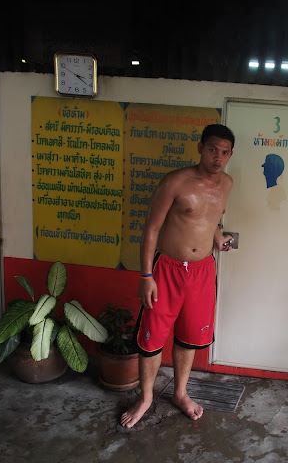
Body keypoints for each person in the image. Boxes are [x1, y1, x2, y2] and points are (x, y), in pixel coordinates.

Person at [121, 124, 235, 428]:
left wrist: (219, 238)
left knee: (189, 337)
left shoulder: (227, 184)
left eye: (224, 152)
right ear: (200, 148)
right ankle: (146, 398)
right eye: (212, 149)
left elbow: (209, 217)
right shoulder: (175, 182)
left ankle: (180, 393)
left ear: (230, 155)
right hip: (167, 270)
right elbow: (151, 229)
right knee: (151, 338)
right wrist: (146, 275)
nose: (218, 157)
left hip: (202, 271)